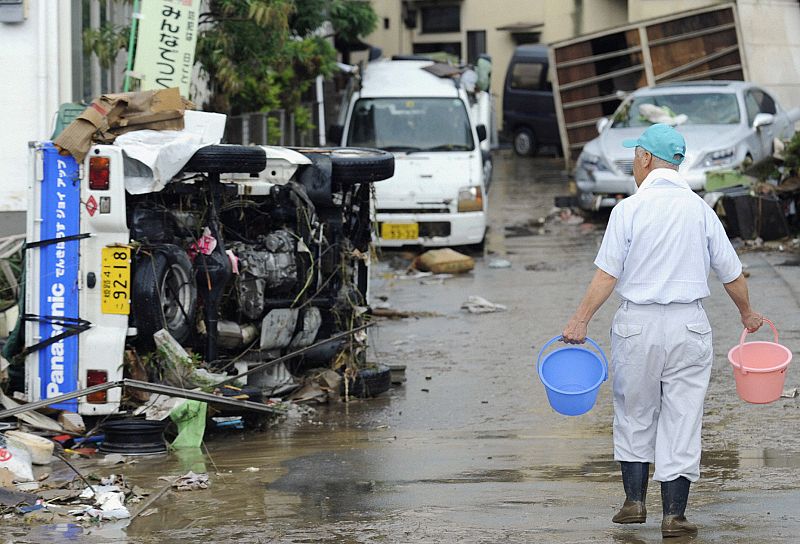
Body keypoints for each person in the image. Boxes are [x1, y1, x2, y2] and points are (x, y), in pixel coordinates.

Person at [560, 123, 763, 538]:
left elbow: (606, 276)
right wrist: (747, 314)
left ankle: (634, 503)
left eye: (635, 156)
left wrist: (580, 320)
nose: (635, 164)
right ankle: (674, 515)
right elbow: (732, 274)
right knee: (683, 415)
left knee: (634, 410)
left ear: (646, 159)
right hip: (690, 325)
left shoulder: (628, 211)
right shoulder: (701, 210)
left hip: (638, 325)